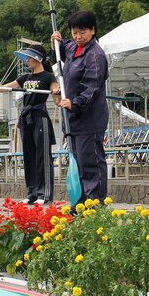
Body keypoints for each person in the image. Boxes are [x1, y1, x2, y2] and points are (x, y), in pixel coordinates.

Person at [0, 45, 58, 204]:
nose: (26, 60)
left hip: (40, 117)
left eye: (28, 57)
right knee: (29, 157)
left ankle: (44, 194)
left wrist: (57, 91)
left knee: (42, 157)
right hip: (26, 119)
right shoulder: (24, 78)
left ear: (37, 58)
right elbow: (2, 88)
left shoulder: (48, 77)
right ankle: (32, 193)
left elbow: (55, 89)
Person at [51, 11, 110, 202]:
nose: (77, 37)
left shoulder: (95, 55)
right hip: (73, 119)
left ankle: (95, 206)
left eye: (82, 32)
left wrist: (74, 102)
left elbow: (91, 88)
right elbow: (62, 47)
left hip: (89, 120)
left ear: (93, 30)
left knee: (90, 163)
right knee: (77, 162)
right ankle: (80, 204)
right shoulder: (73, 48)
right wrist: (56, 42)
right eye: (74, 32)